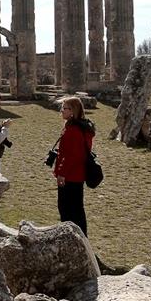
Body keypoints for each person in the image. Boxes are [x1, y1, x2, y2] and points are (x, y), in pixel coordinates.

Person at [52, 96, 96, 236]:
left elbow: (73, 155)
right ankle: (78, 238)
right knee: (76, 208)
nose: (61, 111)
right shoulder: (79, 127)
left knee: (68, 209)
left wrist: (62, 173)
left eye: (64, 108)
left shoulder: (74, 130)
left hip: (71, 175)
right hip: (76, 173)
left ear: (72, 111)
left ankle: (73, 238)